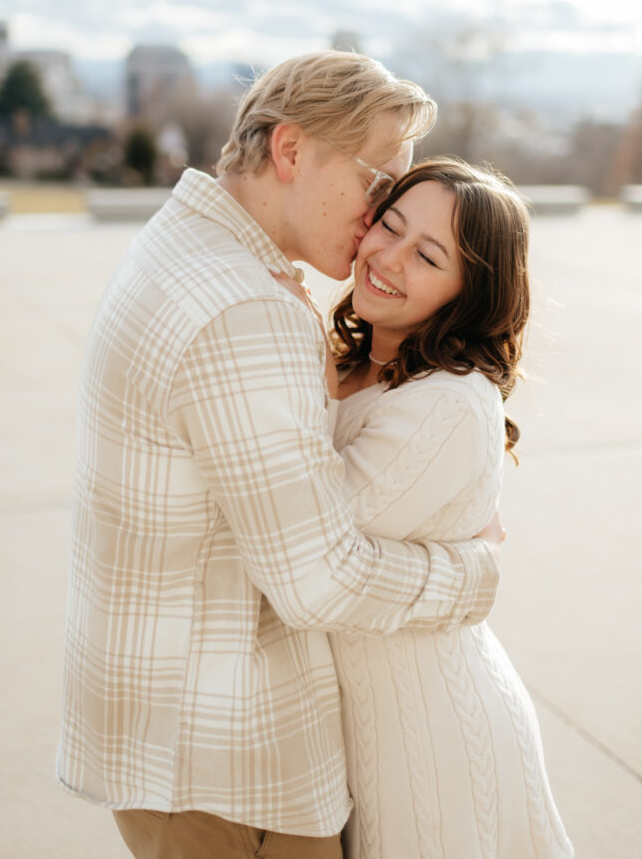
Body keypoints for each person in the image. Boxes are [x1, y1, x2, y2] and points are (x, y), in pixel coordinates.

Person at [56, 53, 505, 859]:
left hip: (170, 741)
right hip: (229, 763)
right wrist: (471, 575)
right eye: (376, 183)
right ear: (291, 150)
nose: (377, 217)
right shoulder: (246, 308)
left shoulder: (180, 245)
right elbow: (318, 579)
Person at [317, 157, 573, 858]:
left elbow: (307, 548)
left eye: (428, 257)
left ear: (470, 294)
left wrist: (472, 570)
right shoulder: (347, 363)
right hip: (364, 732)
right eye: (390, 226)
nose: (388, 258)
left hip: (431, 741)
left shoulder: (450, 402)